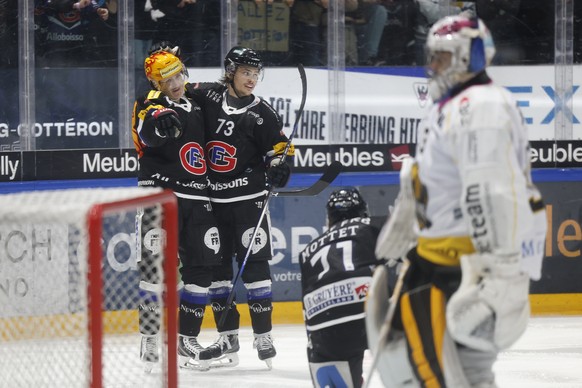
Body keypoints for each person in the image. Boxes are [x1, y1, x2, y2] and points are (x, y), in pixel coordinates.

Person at [369, 15, 547, 387]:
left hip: (464, 267)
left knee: (457, 371)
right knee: (432, 369)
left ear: (471, 58)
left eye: (443, 57)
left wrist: (501, 272)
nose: (432, 65)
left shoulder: (480, 106)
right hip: (437, 257)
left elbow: (493, 191)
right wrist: (411, 219)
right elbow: (435, 177)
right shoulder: (448, 105)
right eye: (432, 56)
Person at [184, 46, 293, 368]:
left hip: (248, 200)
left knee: (256, 266)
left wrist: (280, 164)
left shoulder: (265, 113)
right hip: (212, 202)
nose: (252, 79)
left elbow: (280, 148)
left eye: (256, 74)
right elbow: (174, 92)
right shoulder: (206, 96)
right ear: (231, 71)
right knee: (218, 273)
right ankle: (227, 338)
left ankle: (263, 336)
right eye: (246, 72)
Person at [131, 50, 222, 372]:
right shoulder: (150, 103)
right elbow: (146, 130)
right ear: (156, 82)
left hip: (198, 196)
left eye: (178, 75)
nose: (175, 83)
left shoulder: (196, 102)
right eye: (166, 79)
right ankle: (151, 338)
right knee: (155, 269)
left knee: (201, 270)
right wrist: (156, 120)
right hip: (161, 196)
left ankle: (187, 341)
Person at [300, 188, 382, 388]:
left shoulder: (307, 252)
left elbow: (306, 306)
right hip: (365, 310)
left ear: (329, 218)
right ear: (363, 211)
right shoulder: (372, 225)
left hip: (321, 323)